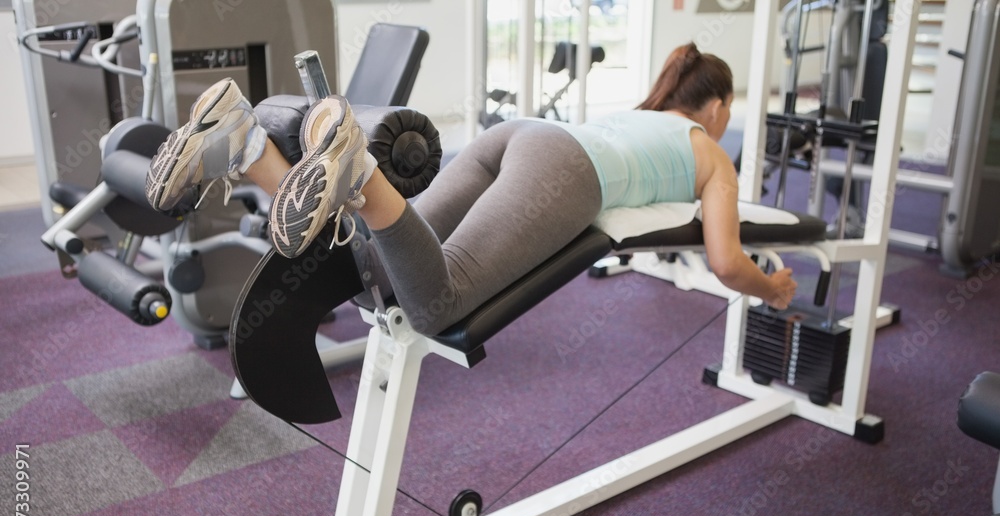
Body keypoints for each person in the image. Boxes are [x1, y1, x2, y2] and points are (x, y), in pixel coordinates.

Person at [145, 42, 797, 336]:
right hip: (567, 173)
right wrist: (773, 288)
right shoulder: (712, 152)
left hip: (518, 137)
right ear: (718, 105)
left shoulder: (643, 114)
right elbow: (724, 260)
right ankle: (356, 164)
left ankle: (244, 141)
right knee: (436, 304)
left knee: (378, 264)